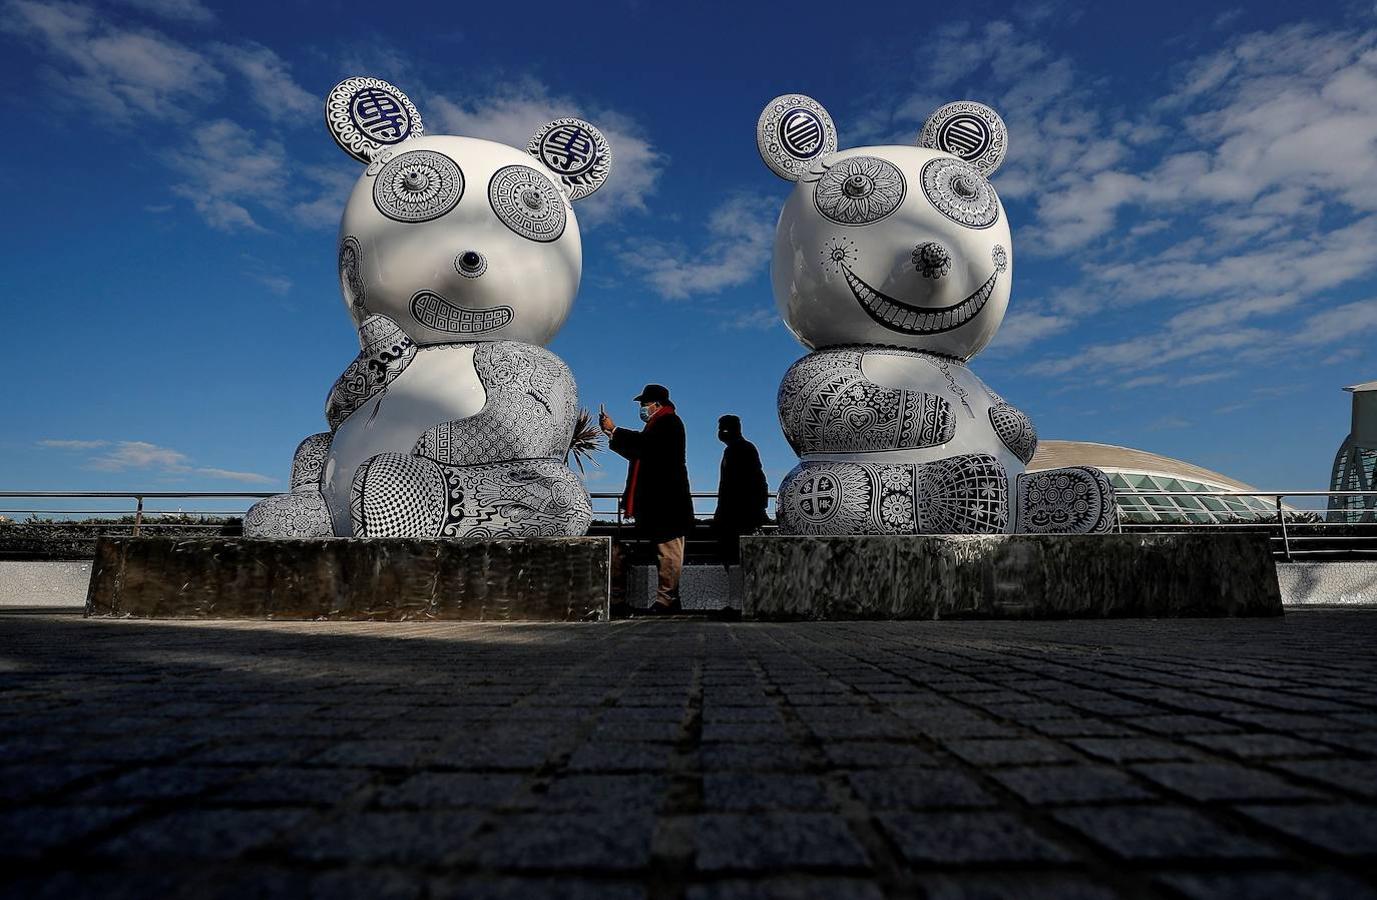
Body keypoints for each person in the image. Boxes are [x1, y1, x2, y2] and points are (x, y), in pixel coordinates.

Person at [599, 384, 695, 614]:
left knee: (668, 552)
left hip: (667, 503)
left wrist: (616, 430)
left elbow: (645, 448)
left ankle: (667, 600)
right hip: (655, 505)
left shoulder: (670, 423)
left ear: (657, 404)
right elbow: (639, 451)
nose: (642, 408)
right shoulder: (656, 425)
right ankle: (652, 600)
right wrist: (612, 434)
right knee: (652, 550)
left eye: (645, 404)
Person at [711, 415, 769, 566]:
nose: (720, 432)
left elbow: (750, 481)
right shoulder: (738, 449)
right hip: (736, 514)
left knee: (734, 557)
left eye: (722, 428)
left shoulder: (741, 449)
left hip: (738, 515)